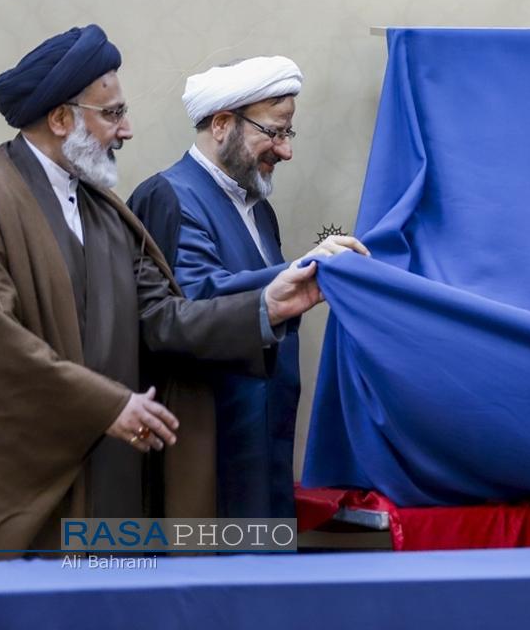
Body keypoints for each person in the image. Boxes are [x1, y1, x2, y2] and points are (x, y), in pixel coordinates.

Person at [0, 25, 360, 556]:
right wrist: (106, 405)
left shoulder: (104, 211)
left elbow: (162, 315)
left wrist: (268, 304)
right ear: (61, 119)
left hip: (113, 467)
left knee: (107, 590)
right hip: (32, 478)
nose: (127, 130)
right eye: (113, 113)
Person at [129, 56, 367, 518]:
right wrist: (299, 271)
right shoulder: (169, 196)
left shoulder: (259, 208)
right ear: (221, 124)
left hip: (263, 446)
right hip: (206, 452)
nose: (285, 151)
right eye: (274, 132)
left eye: (288, 133)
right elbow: (190, 305)